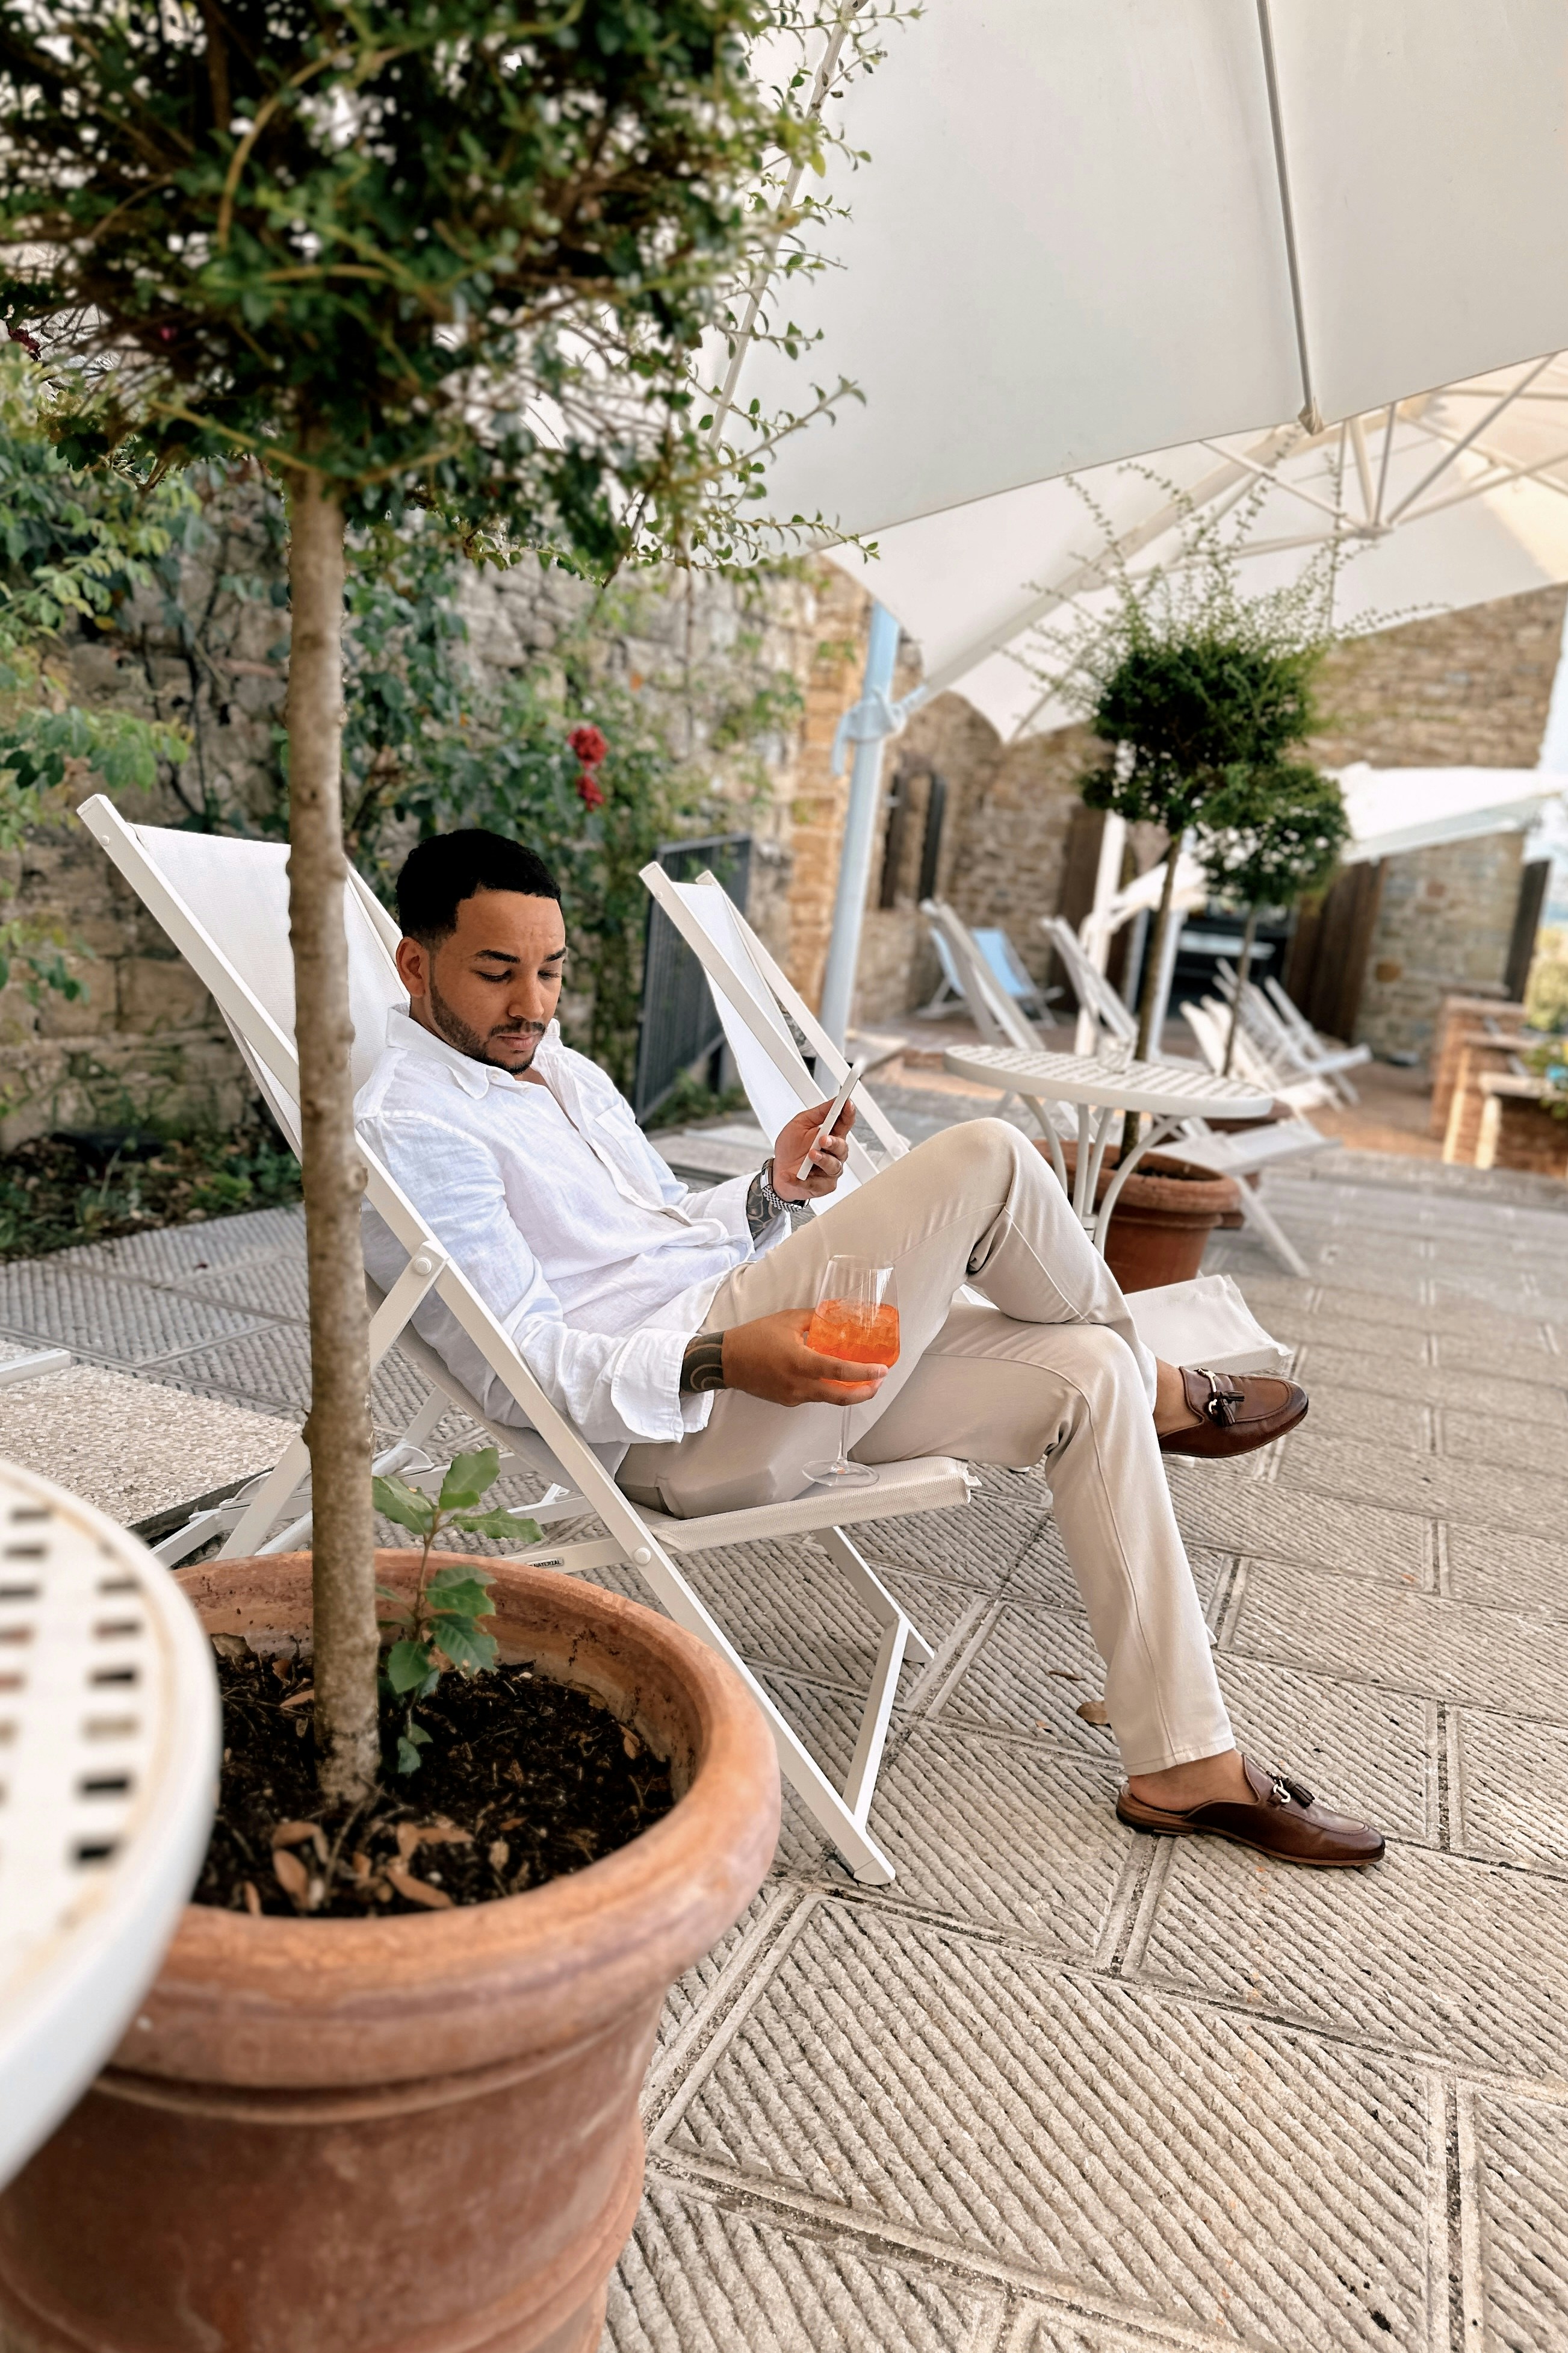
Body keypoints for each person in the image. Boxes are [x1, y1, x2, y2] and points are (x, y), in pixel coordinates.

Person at [356, 830, 1383, 1868]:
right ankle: (1172, 1386)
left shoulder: (563, 1072)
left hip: (759, 1358)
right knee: (987, 1155)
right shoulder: (412, 1127)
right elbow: (519, 1363)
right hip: (685, 1422)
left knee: (1091, 1374)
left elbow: (656, 1227)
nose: (532, 1003)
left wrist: (770, 1192)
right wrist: (720, 1359)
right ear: (414, 964)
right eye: (497, 972)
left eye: (551, 971)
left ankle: (1183, 1762)